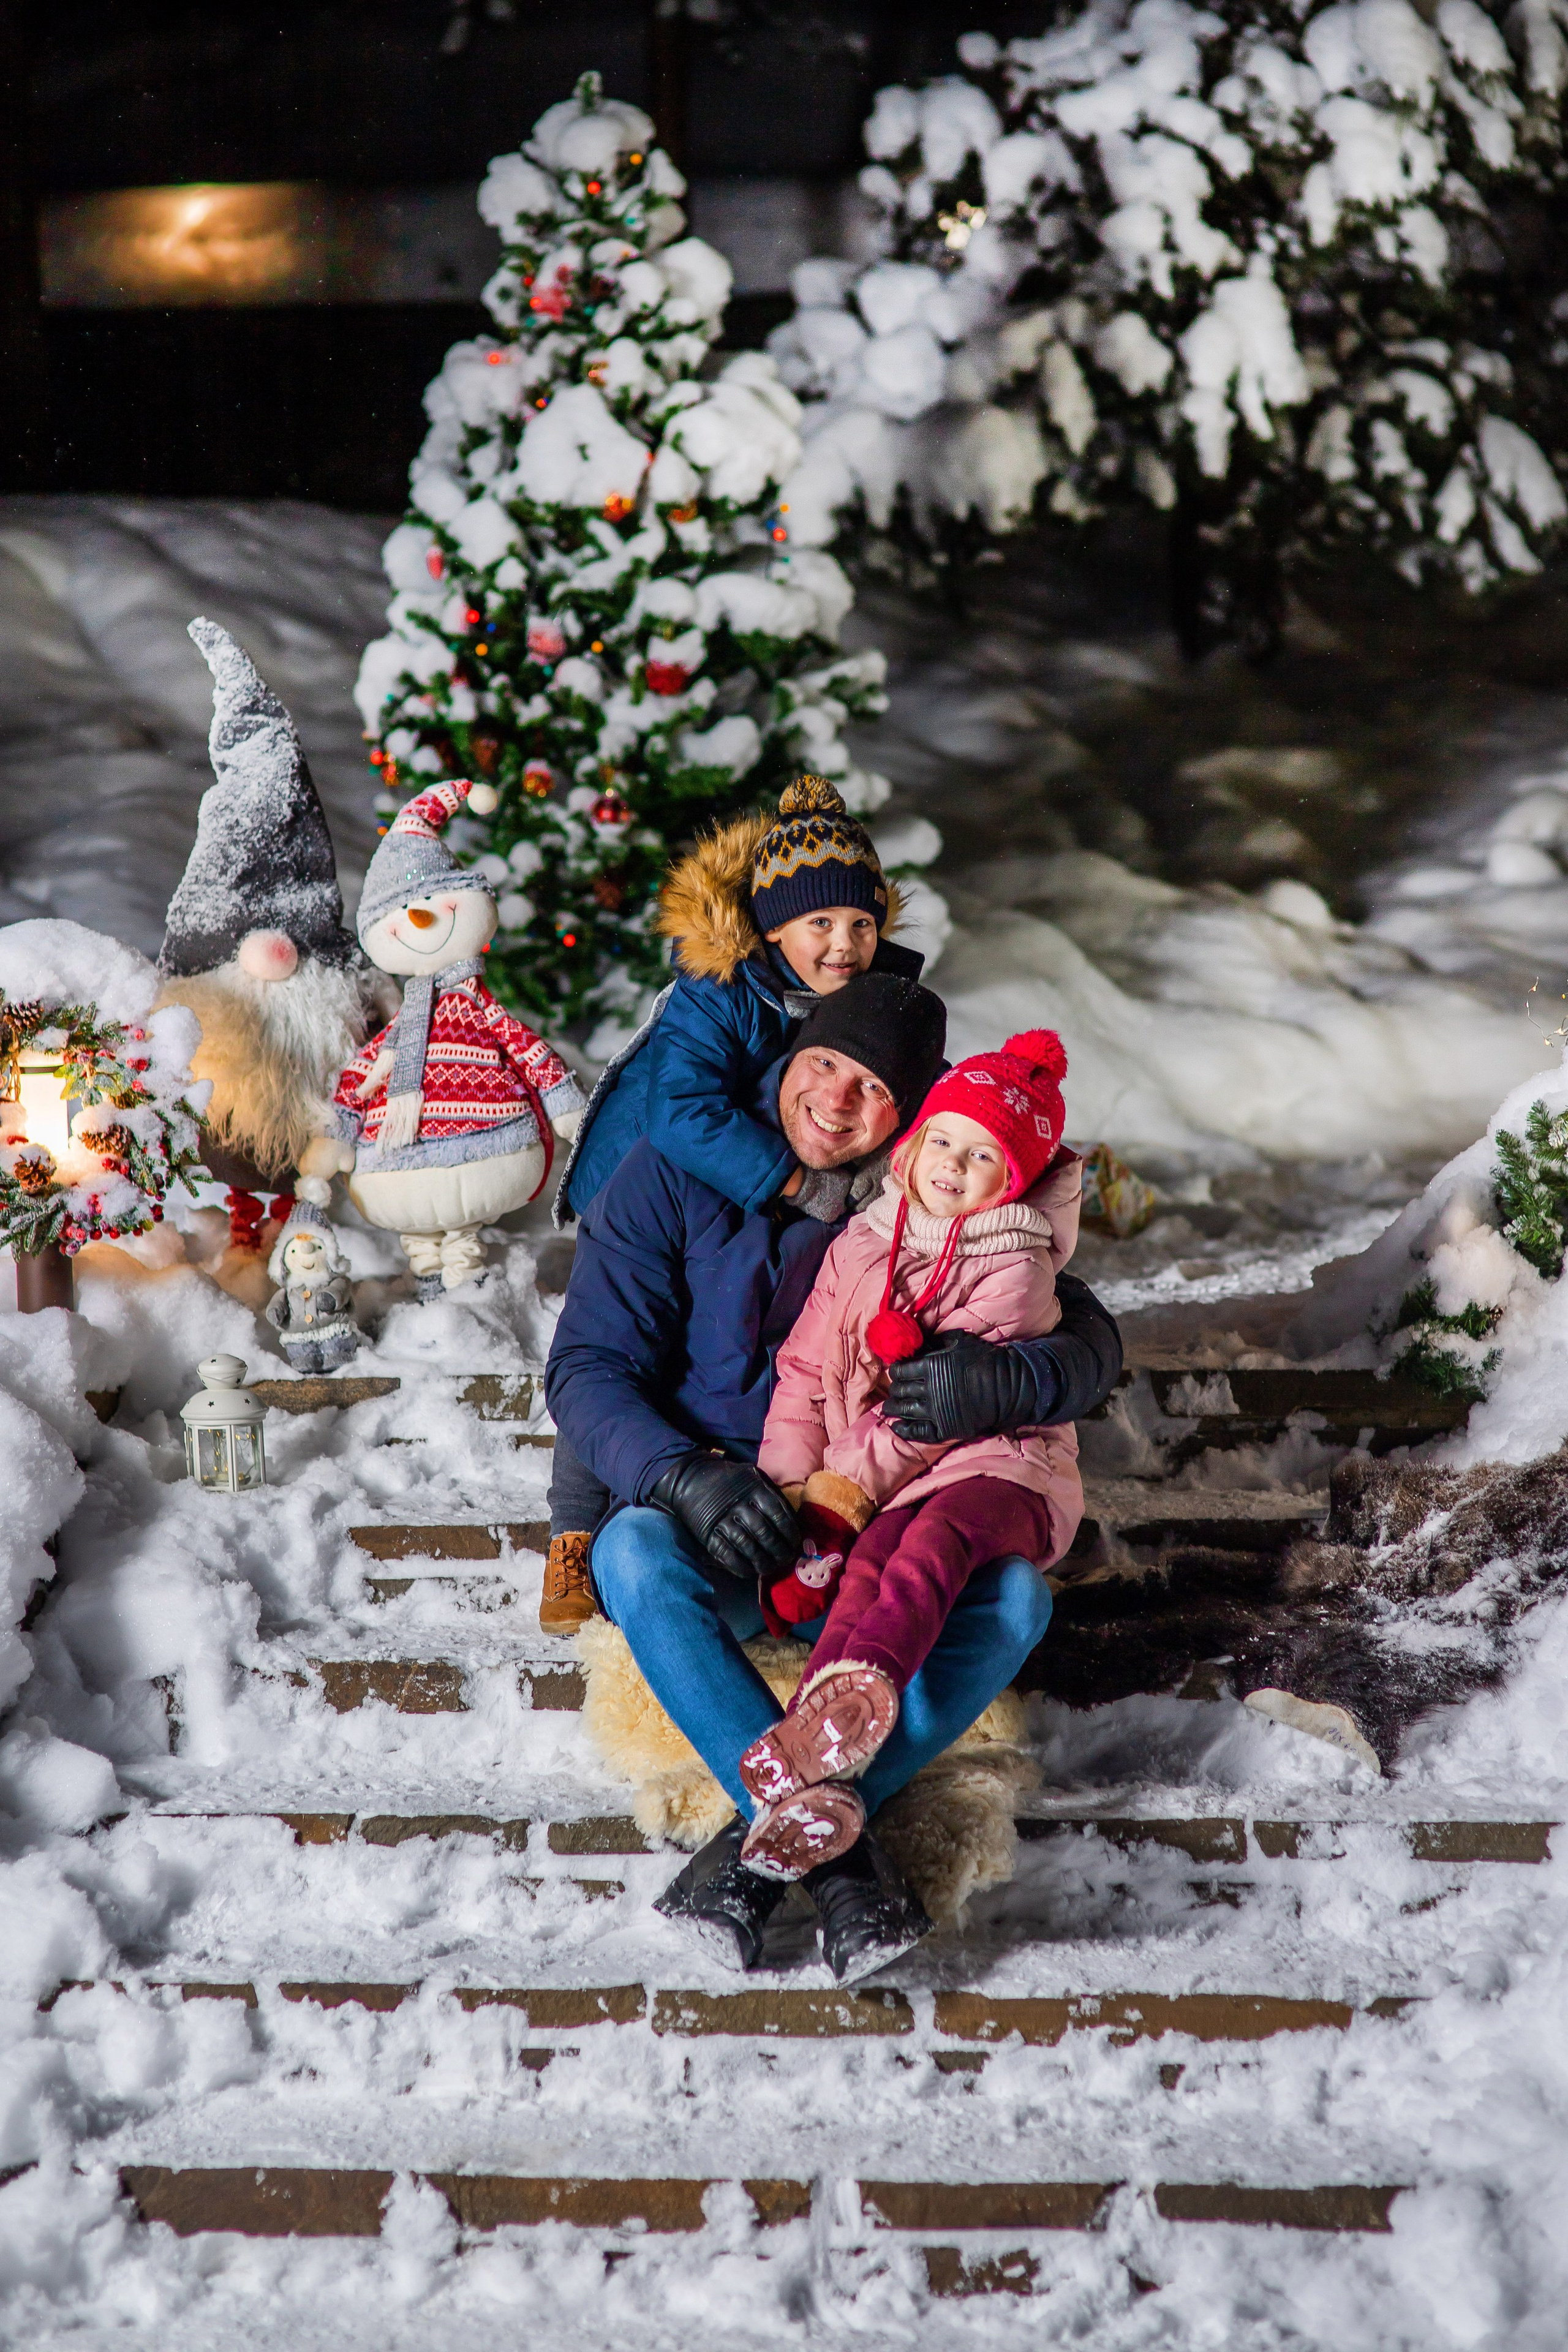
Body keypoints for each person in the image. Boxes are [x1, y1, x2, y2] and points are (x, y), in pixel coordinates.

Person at [545, 975, 1123, 1984]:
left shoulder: (929, 1199)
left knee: (1019, 1598)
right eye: (824, 1067)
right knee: (633, 1549)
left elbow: (1081, 1331)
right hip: (731, 1517)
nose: (839, 1101)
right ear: (790, 1064)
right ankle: (843, 1860)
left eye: (875, 1089)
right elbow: (585, 1369)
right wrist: (682, 1477)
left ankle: (754, 1854)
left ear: (911, 1115)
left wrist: (1009, 1378)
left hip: (881, 1532)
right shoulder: (666, 1173)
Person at [540, 772, 924, 1634]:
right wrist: (802, 1184)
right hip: (663, 1157)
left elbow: (888, 1091)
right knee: (616, 1341)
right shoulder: (720, 990)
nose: (844, 943)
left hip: (766, 1169)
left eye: (862, 923)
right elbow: (682, 1112)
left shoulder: (865, 998)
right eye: (820, 923)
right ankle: (571, 1527)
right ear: (772, 925)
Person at [741, 1031, 1082, 1877]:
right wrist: (795, 1499)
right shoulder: (862, 1240)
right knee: (868, 1570)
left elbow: (930, 1414)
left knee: (928, 1552)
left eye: (982, 1157)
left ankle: (863, 1692)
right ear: (914, 1141)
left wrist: (836, 1499)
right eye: (941, 1141)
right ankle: (814, 1736)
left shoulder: (1017, 1264)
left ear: (1015, 1180)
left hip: (1001, 1467)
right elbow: (806, 1369)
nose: (951, 1167)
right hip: (891, 1483)